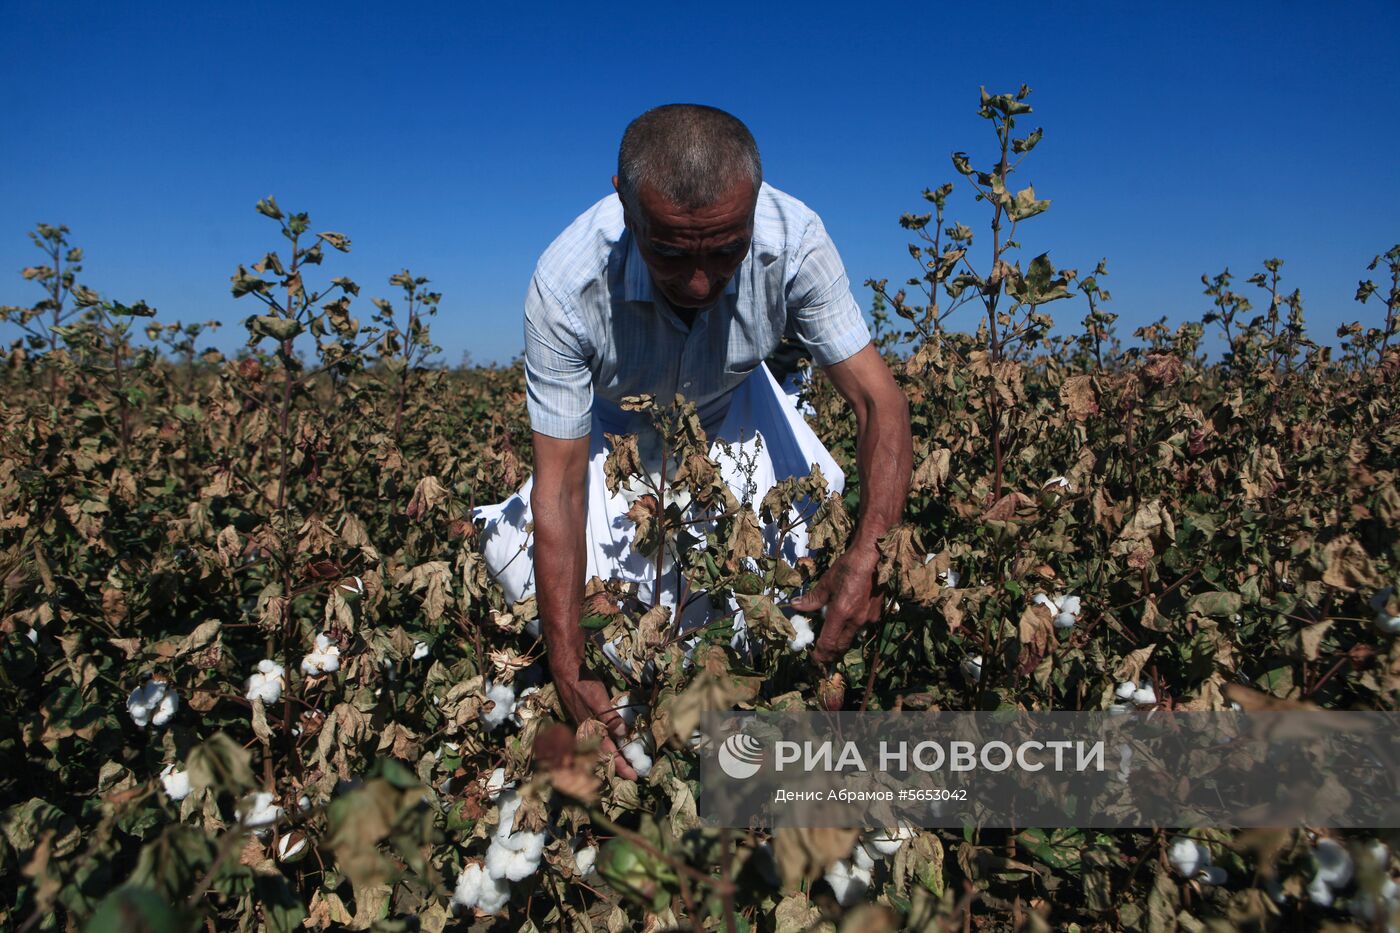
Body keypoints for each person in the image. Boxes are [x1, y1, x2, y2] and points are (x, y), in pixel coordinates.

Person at [474, 104, 912, 778]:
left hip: (735, 410)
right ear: (625, 205)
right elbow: (559, 487)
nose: (702, 282)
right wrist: (567, 669)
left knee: (802, 575)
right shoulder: (567, 284)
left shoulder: (795, 240)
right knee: (521, 563)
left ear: (755, 206)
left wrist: (869, 553)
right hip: (618, 436)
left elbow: (878, 400)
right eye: (673, 253)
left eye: (726, 250)